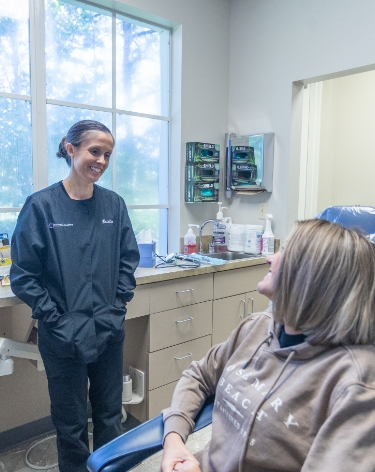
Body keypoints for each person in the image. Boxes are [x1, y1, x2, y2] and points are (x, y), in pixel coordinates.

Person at [161, 219, 375, 472]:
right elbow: (199, 374)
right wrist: (174, 440)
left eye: (284, 251)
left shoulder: (355, 381)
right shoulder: (257, 327)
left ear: (311, 277)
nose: (270, 258)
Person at [10, 120, 140, 471]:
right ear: (71, 149)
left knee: (111, 417)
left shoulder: (114, 206)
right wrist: (56, 319)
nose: (101, 160)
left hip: (108, 329)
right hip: (63, 335)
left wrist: (117, 307)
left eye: (107, 154)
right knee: (70, 426)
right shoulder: (41, 207)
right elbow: (23, 275)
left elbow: (129, 259)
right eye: (94, 151)